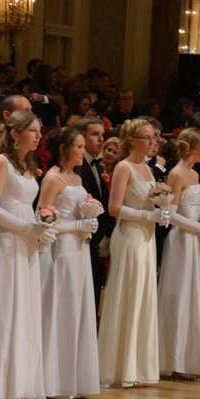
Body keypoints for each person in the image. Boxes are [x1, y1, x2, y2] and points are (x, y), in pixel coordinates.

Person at [0, 110, 54, 399]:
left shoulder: (28, 165)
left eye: (39, 131)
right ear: (15, 133)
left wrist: (41, 226)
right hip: (6, 240)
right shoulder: (1, 161)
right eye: (33, 131)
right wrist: (25, 226)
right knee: (5, 310)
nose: (38, 136)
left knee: (24, 310)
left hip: (26, 241)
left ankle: (14, 384)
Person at [98, 119, 168, 387]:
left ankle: (138, 367)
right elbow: (114, 208)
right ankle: (120, 368)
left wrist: (161, 211)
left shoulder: (148, 169)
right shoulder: (123, 167)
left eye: (154, 138)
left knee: (144, 297)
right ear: (132, 140)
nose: (152, 142)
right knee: (129, 295)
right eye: (147, 138)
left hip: (147, 238)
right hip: (130, 236)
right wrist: (147, 215)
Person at [36, 127, 101, 399]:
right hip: (61, 251)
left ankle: (74, 378)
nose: (83, 152)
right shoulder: (53, 178)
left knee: (78, 308)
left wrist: (89, 222)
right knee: (61, 308)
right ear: (64, 149)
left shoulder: (77, 177)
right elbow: (42, 219)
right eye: (79, 147)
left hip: (79, 249)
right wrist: (78, 225)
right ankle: (55, 381)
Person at [157, 128, 200, 379]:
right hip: (182, 239)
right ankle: (172, 360)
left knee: (195, 294)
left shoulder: (195, 173)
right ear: (194, 148)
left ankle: (189, 359)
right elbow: (170, 215)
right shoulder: (176, 174)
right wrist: (199, 227)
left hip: (196, 240)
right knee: (179, 294)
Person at [74, 116, 112, 313]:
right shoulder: (77, 166)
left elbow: (103, 203)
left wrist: (107, 234)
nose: (101, 139)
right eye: (95, 134)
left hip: (96, 239)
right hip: (83, 237)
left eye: (102, 134)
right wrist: (99, 237)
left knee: (95, 290)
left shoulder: (97, 165)